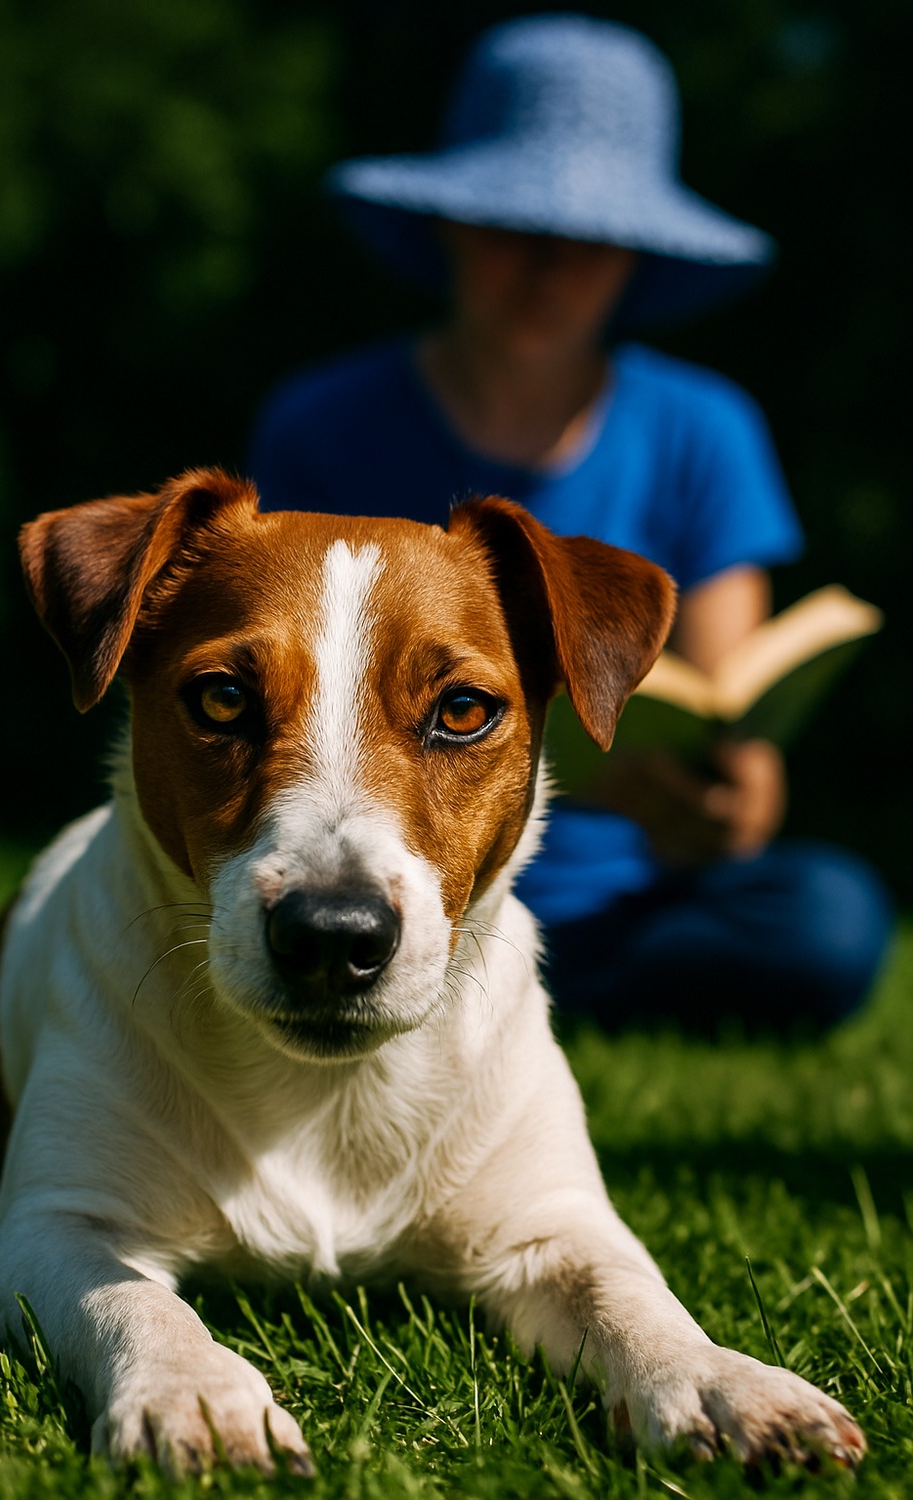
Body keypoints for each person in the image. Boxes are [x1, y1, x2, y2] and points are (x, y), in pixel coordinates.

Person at [249, 14, 892, 1033]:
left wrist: (725, 801)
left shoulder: (703, 430)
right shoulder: (325, 423)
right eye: (515, 228)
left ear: (635, 256)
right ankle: (460, 978)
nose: (548, 267)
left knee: (826, 916)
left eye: (587, 241)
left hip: (626, 901)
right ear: (451, 226)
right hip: (380, 871)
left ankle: (525, 998)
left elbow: (733, 715)